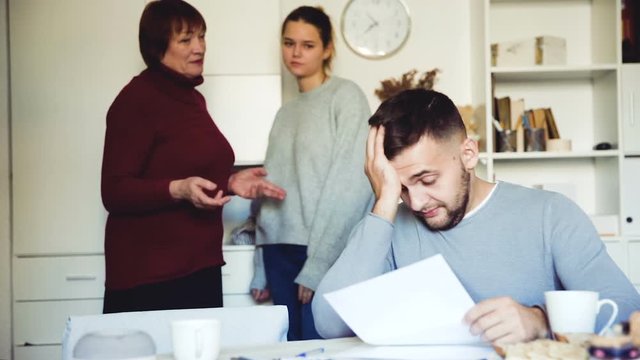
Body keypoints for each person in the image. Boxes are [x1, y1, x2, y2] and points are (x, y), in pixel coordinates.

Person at [312, 88, 640, 345]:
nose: (416, 202)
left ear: (468, 154)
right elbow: (329, 325)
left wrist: (541, 321)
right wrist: (384, 202)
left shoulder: (550, 214)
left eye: (427, 180)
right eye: (401, 187)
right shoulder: (386, 226)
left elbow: (627, 312)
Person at [100, 0, 285, 313]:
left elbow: (185, 171)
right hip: (151, 277)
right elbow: (114, 191)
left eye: (202, 36)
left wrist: (228, 183)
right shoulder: (136, 100)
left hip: (199, 266)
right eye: (186, 40)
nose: (199, 47)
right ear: (158, 47)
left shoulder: (192, 99)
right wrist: (177, 189)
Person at [251, 6, 373, 340]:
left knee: (321, 347)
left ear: (327, 49)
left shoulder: (345, 97)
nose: (295, 52)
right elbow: (268, 189)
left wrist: (318, 263)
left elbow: (351, 183)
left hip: (320, 250)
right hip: (278, 253)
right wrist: (260, 269)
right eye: (289, 43)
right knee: (288, 349)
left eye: (307, 45)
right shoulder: (284, 113)